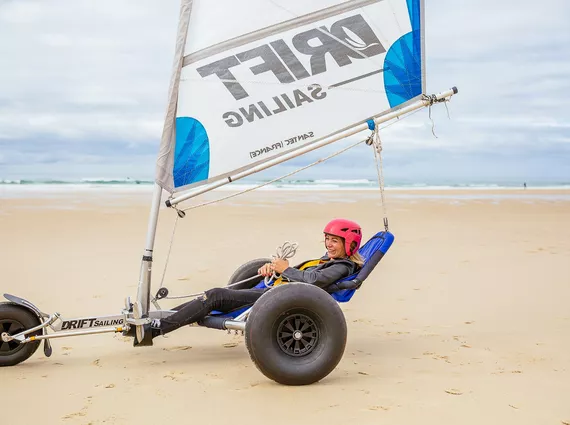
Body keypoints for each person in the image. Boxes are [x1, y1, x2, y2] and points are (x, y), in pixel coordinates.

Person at [138, 219, 364, 341]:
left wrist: (286, 269)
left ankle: (156, 329)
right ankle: (159, 319)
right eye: (327, 239)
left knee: (215, 296)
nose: (328, 245)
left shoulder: (342, 266)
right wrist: (274, 269)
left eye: (335, 240)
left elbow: (314, 282)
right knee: (211, 297)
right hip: (274, 290)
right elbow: (303, 275)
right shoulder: (327, 260)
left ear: (350, 244)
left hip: (274, 299)